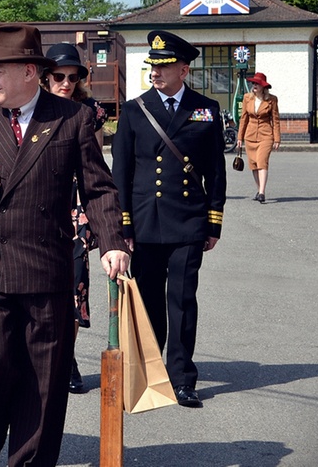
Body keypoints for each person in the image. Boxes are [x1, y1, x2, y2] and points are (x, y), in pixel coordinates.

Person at [0, 24, 130, 467]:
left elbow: (98, 189)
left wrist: (112, 244)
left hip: (47, 269)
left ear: (28, 71)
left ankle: (28, 462)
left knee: (44, 381)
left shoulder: (72, 118)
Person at [112, 30, 227, 409]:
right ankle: (149, 372)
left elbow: (215, 170)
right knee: (147, 301)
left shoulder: (206, 109)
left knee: (181, 300)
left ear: (183, 68)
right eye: (152, 66)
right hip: (145, 222)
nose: (155, 73)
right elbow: (122, 172)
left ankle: (182, 378)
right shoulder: (134, 109)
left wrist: (213, 222)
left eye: (163, 67)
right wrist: (123, 224)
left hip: (188, 223)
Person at [39, 42, 103, 394]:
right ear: (46, 76)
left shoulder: (91, 111)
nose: (66, 82)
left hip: (77, 210)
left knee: (75, 287)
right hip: (42, 206)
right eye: (59, 76)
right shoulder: (33, 108)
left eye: (73, 77)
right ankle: (43, 358)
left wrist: (103, 216)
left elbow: (96, 167)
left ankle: (68, 359)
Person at [237, 72, 280, 202]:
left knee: (262, 162)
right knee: (254, 164)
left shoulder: (272, 100)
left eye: (257, 83)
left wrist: (277, 138)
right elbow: (243, 118)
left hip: (266, 135)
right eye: (253, 83)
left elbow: (275, 120)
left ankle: (262, 192)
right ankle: (259, 189)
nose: (254, 85)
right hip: (250, 136)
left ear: (263, 86)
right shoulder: (247, 98)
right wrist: (240, 137)